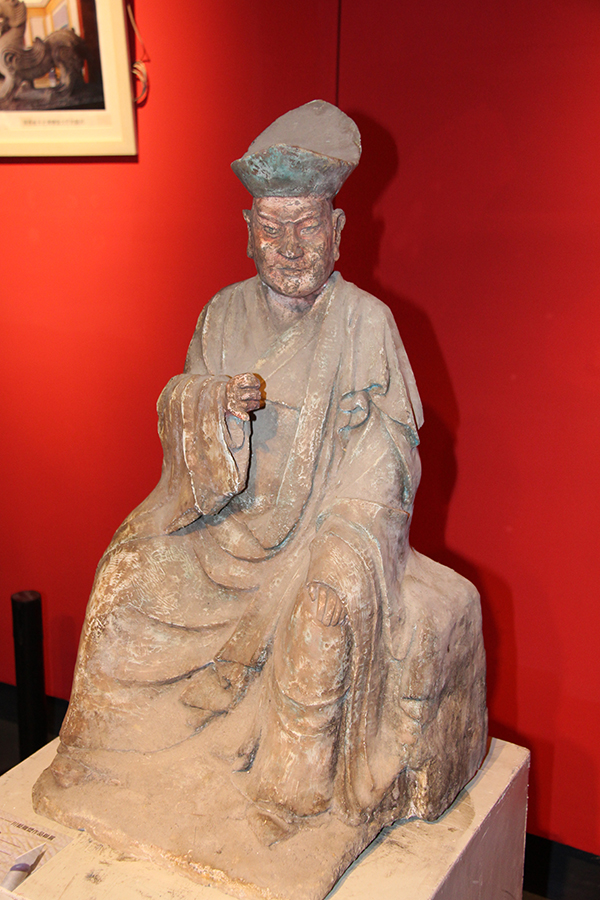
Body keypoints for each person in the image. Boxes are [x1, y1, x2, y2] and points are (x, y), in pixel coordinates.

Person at [36, 101, 486, 846]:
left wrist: (343, 542)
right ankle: (108, 750)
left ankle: (289, 799)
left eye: (305, 226)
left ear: (338, 230)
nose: (289, 247)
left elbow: (389, 453)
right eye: (272, 229)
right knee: (128, 577)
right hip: (226, 529)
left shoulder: (366, 323)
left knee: (322, 613)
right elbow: (178, 411)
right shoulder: (222, 314)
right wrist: (215, 405)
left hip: (320, 533)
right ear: (248, 231)